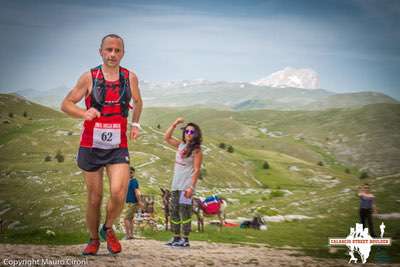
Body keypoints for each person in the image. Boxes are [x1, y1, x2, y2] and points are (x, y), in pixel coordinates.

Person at [61, 34, 143, 255]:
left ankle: (107, 228)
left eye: (117, 50)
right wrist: (83, 112)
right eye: (108, 50)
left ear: (123, 53)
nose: (112, 54)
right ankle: (93, 239)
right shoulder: (89, 77)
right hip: (91, 145)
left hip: (118, 145)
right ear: (101, 52)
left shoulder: (130, 77)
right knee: (95, 198)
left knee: (118, 192)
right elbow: (66, 104)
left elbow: (138, 101)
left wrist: (135, 123)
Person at [163, 117, 203, 247]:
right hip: (175, 184)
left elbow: (196, 170)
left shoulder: (197, 150)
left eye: (191, 132)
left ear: (196, 135)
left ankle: (185, 239)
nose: (188, 133)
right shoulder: (180, 145)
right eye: (186, 131)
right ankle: (176, 237)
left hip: (186, 186)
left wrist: (191, 187)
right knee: (173, 211)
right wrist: (174, 124)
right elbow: (167, 137)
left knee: (184, 211)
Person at [123, 167, 143, 239]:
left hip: (133, 203)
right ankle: (131, 235)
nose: (129, 174)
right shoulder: (128, 181)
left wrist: (140, 201)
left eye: (131, 172)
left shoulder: (134, 181)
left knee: (126, 219)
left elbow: (137, 192)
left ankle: (128, 235)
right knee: (130, 219)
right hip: (129, 203)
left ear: (133, 173)